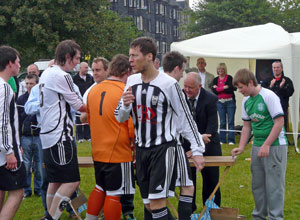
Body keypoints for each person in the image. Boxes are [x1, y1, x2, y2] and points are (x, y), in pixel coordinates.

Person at [115, 37, 205, 220]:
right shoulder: (131, 81)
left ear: (149, 56)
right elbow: (120, 116)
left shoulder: (168, 84)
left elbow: (186, 118)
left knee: (157, 204)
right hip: (141, 151)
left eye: (134, 55)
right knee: (149, 205)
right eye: (129, 55)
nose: (130, 60)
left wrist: (197, 150)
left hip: (163, 150)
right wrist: (124, 105)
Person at [39, 40, 86, 220]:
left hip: (48, 135)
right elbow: (78, 105)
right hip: (60, 136)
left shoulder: (47, 73)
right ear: (67, 57)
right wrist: (100, 107)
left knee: (55, 181)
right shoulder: (62, 76)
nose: (77, 63)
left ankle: (48, 216)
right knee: (72, 180)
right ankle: (51, 218)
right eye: (76, 58)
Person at [232, 68, 288, 220]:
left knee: (274, 186)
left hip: (275, 146)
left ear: (250, 82)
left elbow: (279, 122)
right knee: (258, 185)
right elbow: (246, 126)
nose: (239, 91)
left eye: (240, 87)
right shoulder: (246, 101)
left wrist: (267, 145)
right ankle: (259, 216)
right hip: (257, 146)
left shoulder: (269, 96)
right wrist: (241, 147)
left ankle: (276, 217)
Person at [85, 54, 135, 220]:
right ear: (127, 71)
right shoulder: (124, 91)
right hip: (118, 151)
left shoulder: (93, 90)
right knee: (115, 193)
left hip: (98, 150)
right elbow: (130, 125)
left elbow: (89, 120)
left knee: (100, 188)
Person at [163, 51, 209, 219]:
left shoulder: (142, 82)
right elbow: (184, 120)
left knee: (153, 197)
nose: (181, 76)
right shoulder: (171, 86)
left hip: (146, 146)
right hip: (169, 147)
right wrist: (197, 147)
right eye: (182, 71)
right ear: (177, 68)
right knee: (185, 187)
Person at [183, 72, 222, 210]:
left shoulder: (211, 99)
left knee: (211, 181)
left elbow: (212, 128)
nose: (187, 90)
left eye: (191, 87)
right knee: (188, 182)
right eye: (185, 86)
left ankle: (211, 210)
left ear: (200, 86)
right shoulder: (180, 97)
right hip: (186, 147)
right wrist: (191, 149)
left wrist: (197, 146)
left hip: (209, 146)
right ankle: (188, 211)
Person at [0, 45, 26, 220]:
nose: (19, 65)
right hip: (6, 151)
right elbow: (2, 122)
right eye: (17, 62)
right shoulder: (4, 88)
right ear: (10, 63)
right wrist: (9, 151)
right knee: (18, 192)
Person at [16, 74, 43, 198]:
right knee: (26, 165)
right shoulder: (21, 99)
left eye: (31, 84)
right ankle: (26, 189)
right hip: (25, 137)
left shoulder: (41, 98)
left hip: (38, 136)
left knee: (39, 165)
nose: (28, 86)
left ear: (37, 84)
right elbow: (17, 120)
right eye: (27, 83)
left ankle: (39, 188)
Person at [261, 61, 294, 131]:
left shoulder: (287, 80)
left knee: (282, 127)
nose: (276, 69)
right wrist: (270, 86)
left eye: (278, 67)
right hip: (269, 109)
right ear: (272, 69)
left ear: (282, 68)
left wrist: (281, 87)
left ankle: (283, 141)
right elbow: (262, 94)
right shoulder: (267, 81)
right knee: (270, 127)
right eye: (274, 67)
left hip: (282, 108)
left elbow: (290, 93)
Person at [212, 63, 236, 145]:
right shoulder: (215, 79)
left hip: (230, 101)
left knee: (230, 121)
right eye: (219, 69)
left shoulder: (229, 78)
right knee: (222, 122)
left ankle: (231, 140)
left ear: (224, 69)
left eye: (222, 69)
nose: (220, 70)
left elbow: (230, 89)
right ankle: (222, 139)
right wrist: (224, 87)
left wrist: (218, 88)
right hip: (220, 102)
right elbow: (214, 91)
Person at [73, 62, 94, 143]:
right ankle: (80, 137)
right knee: (79, 119)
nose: (87, 69)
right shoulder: (74, 79)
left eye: (87, 67)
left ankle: (88, 136)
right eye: (85, 67)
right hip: (78, 101)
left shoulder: (90, 77)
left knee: (87, 118)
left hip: (88, 101)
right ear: (80, 68)